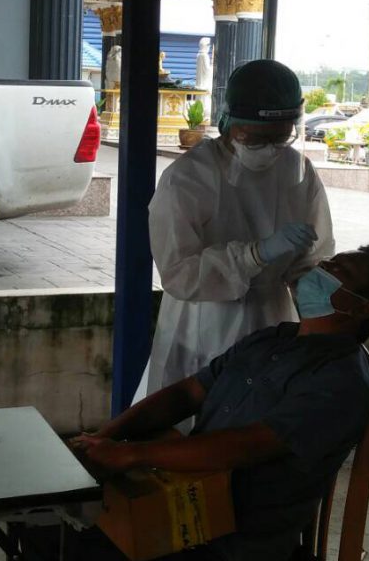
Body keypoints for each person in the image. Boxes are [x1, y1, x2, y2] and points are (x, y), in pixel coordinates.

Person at [73, 246, 369, 561]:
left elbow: (247, 445)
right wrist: (106, 436)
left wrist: (133, 454)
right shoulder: (271, 339)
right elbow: (188, 392)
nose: (323, 267)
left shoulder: (341, 379)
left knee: (70, 546)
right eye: (329, 261)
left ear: (363, 308)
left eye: (341, 270)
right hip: (182, 501)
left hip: (230, 543)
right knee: (62, 524)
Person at [138, 58, 335, 407]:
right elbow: (179, 274)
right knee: (193, 416)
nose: (271, 148)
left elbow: (313, 258)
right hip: (203, 320)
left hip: (271, 318)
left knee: (259, 415)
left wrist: (320, 299)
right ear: (230, 122)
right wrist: (253, 256)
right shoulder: (189, 177)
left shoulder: (297, 170)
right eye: (257, 138)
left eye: (281, 137)